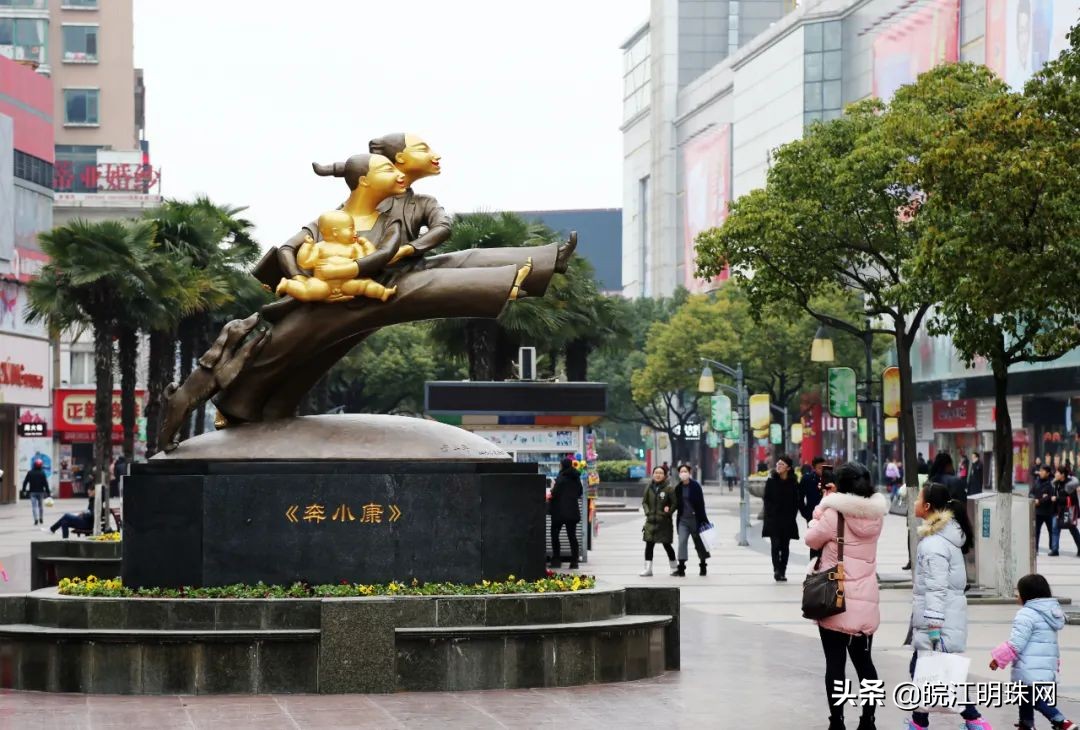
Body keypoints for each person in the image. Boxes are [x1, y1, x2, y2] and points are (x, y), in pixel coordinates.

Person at [805, 462, 889, 730]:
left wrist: (822, 505)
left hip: (835, 601)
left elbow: (811, 539)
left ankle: (837, 722)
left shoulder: (832, 515)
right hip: (865, 603)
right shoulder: (876, 517)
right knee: (865, 664)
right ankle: (868, 721)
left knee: (835, 664)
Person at [905, 482, 991, 730]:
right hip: (940, 620)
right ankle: (919, 722)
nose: (914, 502)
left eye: (918, 498)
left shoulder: (934, 545)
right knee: (925, 673)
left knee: (930, 675)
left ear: (928, 506)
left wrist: (933, 626)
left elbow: (936, 587)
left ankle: (973, 720)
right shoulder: (941, 539)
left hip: (937, 625)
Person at [989, 574, 1075, 730]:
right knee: (1026, 696)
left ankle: (1061, 721)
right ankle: (1026, 723)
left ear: (1027, 595)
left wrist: (998, 659)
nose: (1017, 596)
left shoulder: (1026, 614)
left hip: (1028, 667)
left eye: (1019, 592)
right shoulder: (1052, 612)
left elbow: (1016, 643)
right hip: (1044, 666)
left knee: (1032, 698)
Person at [276, 210, 397, 302]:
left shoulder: (354, 247)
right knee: (312, 291)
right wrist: (307, 246)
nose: (355, 232)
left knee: (365, 284)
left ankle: (382, 293)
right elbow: (305, 262)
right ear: (335, 232)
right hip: (323, 283)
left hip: (347, 283)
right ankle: (288, 285)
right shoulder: (320, 246)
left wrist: (365, 244)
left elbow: (367, 260)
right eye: (351, 229)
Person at [762, 454, 801, 582]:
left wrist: (792, 516)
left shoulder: (793, 483)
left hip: (787, 520)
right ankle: (776, 569)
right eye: (778, 464)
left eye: (782, 464)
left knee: (785, 546)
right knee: (775, 545)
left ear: (788, 468)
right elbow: (766, 499)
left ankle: (783, 570)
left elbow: (796, 501)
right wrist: (770, 514)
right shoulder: (771, 481)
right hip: (774, 519)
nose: (778, 466)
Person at [672, 464, 710, 576]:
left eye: (685, 471)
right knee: (682, 542)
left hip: (696, 519)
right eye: (681, 471)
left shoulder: (696, 486)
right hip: (683, 520)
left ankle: (703, 565)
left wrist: (703, 520)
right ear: (679, 474)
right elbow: (675, 503)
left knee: (699, 543)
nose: (683, 473)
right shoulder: (678, 488)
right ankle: (682, 568)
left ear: (689, 473)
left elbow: (701, 504)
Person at [640, 465, 677, 577]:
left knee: (667, 545)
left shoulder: (669, 489)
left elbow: (675, 503)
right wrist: (647, 512)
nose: (658, 475)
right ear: (653, 474)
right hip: (650, 521)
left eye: (660, 473)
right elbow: (644, 502)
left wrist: (668, 512)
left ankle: (674, 568)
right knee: (649, 545)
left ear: (664, 475)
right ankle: (648, 569)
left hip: (664, 522)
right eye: (656, 472)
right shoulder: (649, 487)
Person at [549, 458, 582, 569]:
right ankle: (574, 562)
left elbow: (555, 493)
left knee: (554, 535)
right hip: (572, 511)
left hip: (559, 512)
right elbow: (579, 492)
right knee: (572, 536)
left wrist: (553, 487)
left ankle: (556, 560)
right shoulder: (576, 477)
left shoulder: (561, 478)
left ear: (562, 466)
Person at [1052, 466, 1080, 557]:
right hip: (1059, 510)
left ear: (1062, 475)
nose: (1055, 474)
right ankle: (1055, 550)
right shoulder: (1056, 483)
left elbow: (1072, 499)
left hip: (1068, 511)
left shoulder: (1070, 485)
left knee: (1073, 529)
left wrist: (1057, 499)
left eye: (1057, 473)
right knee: (1055, 528)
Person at [1031, 464, 1058, 555]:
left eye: (1043, 471)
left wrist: (1040, 500)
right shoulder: (1037, 481)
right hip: (1038, 512)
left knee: (1051, 531)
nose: (1040, 473)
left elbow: (1050, 496)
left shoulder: (1051, 483)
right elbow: (1031, 493)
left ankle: (1052, 548)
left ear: (1048, 473)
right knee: (1036, 531)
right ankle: (1035, 549)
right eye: (1040, 471)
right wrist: (1034, 499)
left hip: (1048, 512)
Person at [20, 459, 50, 526]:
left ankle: (35, 519)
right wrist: (48, 492)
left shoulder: (30, 472)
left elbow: (25, 482)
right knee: (40, 506)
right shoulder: (42, 473)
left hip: (32, 492)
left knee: (34, 507)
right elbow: (45, 483)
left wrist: (23, 490)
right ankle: (41, 518)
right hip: (40, 492)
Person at [799, 457, 827, 524]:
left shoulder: (832, 478)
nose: (823, 470)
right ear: (814, 469)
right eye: (820, 468)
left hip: (828, 515)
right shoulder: (807, 479)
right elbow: (800, 497)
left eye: (825, 467)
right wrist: (805, 513)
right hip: (812, 515)